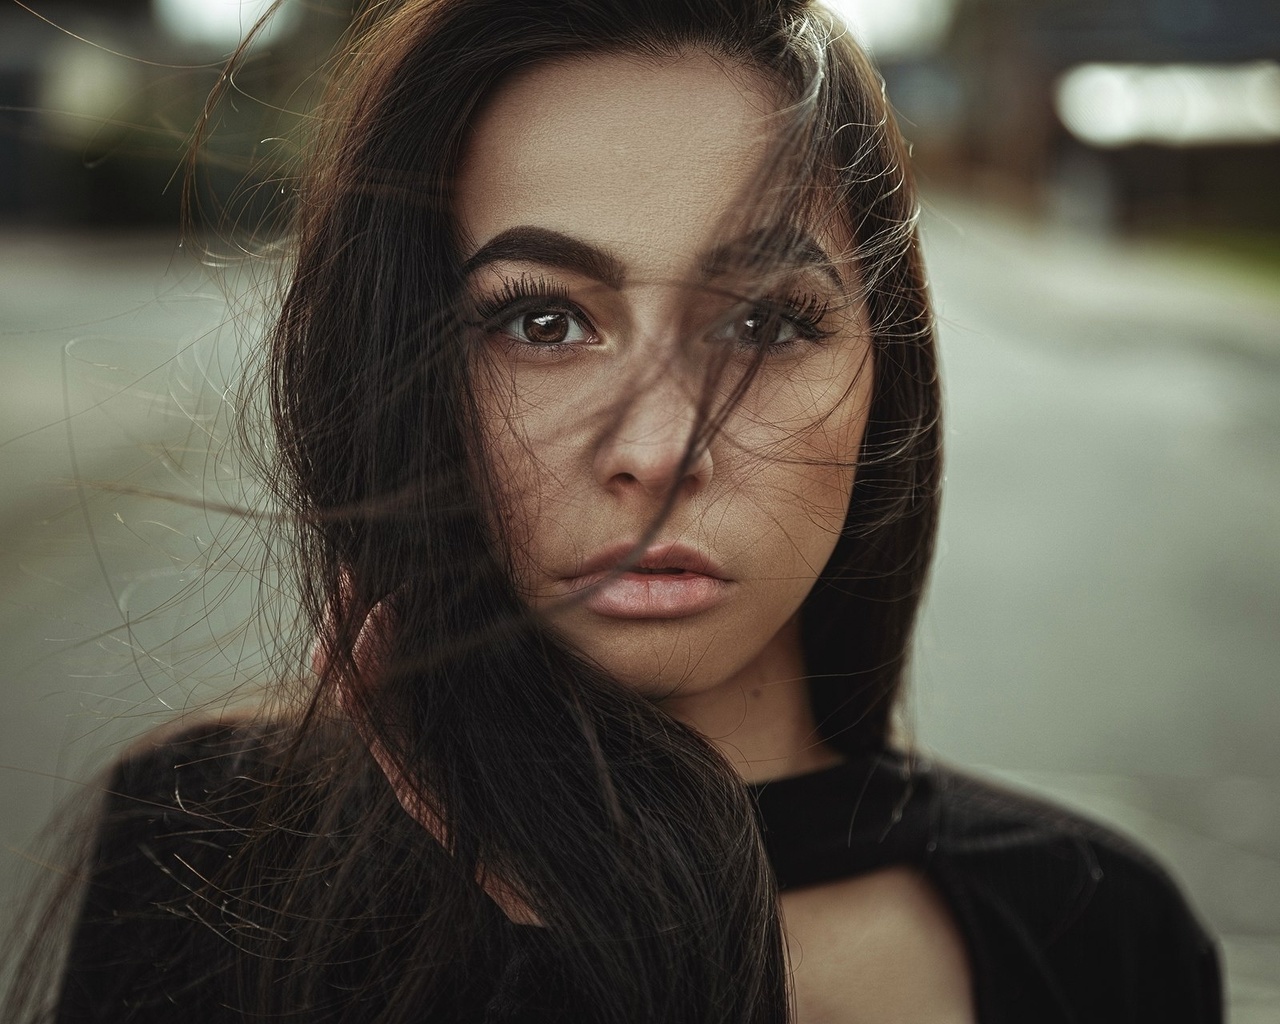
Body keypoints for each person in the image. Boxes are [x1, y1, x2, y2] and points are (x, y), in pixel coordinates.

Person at [3, 1, 1221, 1022]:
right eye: (543, 322)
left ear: (882, 377)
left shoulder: (1095, 934)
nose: (655, 450)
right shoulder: (211, 855)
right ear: (409, 369)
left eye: (761, 323)